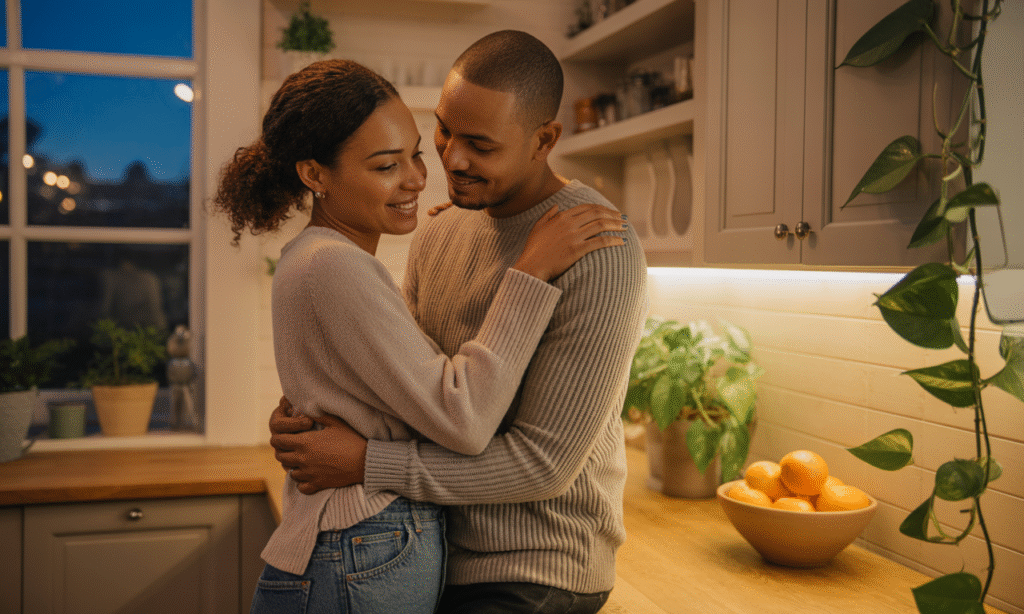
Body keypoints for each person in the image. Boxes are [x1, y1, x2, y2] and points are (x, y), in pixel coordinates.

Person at [212, 59, 628, 614]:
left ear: (544, 140)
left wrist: (361, 453)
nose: (439, 166)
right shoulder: (362, 255)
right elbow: (439, 404)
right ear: (315, 174)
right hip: (392, 543)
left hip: (528, 570)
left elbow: (532, 457)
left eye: (415, 153)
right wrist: (325, 415)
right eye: (444, 134)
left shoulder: (592, 243)